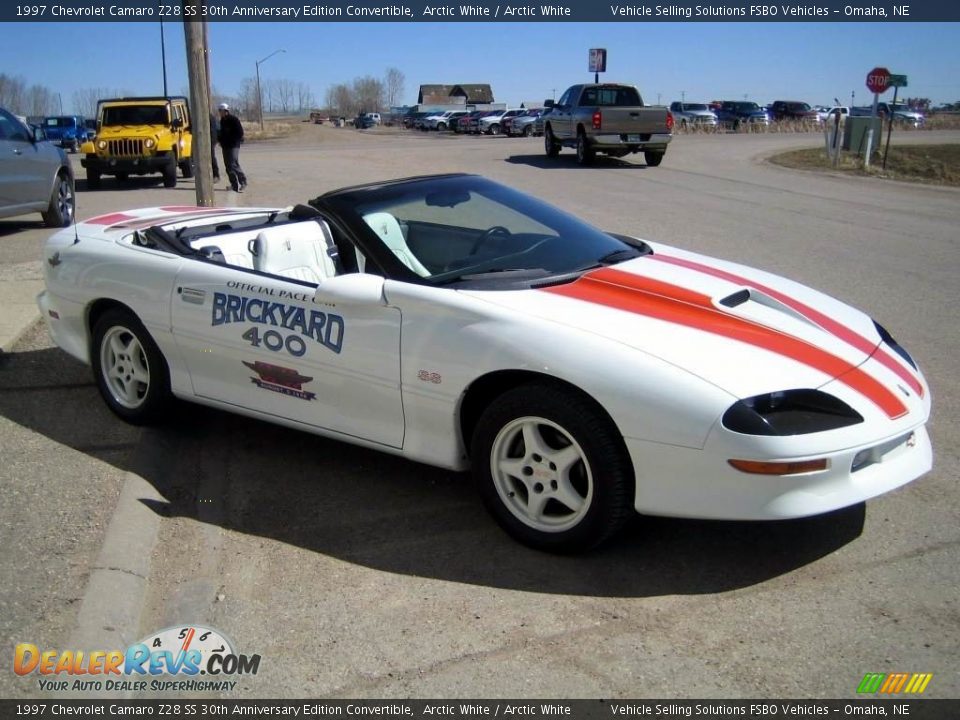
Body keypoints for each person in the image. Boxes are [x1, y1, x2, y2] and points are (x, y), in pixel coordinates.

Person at [217, 103, 246, 192]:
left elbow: (240, 132)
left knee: (233, 163)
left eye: (221, 111)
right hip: (225, 146)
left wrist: (233, 140)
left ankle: (243, 182)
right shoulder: (222, 121)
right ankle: (234, 185)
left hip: (234, 145)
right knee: (228, 166)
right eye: (219, 111)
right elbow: (221, 133)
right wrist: (220, 141)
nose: (219, 113)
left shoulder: (234, 120)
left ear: (226, 111)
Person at [209, 110, 220, 182]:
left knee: (211, 157)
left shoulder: (210, 117)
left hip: (211, 140)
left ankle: (216, 175)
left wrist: (212, 141)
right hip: (202, 141)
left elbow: (213, 131)